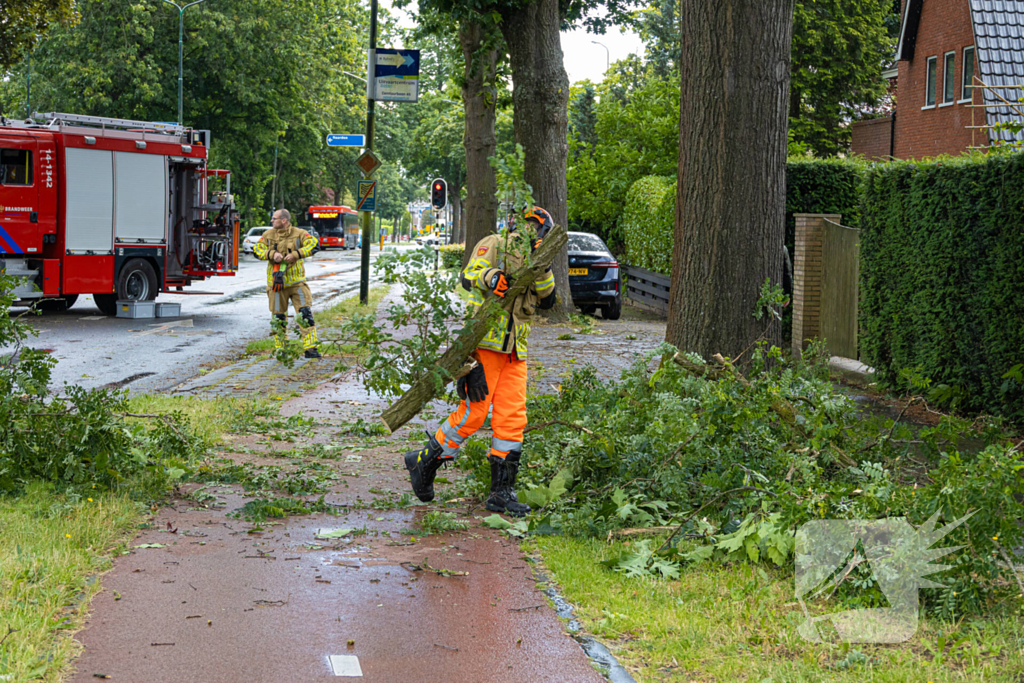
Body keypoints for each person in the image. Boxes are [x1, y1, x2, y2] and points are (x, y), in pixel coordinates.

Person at [405, 206, 557, 517]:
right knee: (474, 413)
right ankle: (423, 461)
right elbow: (469, 275)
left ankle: (501, 493)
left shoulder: (538, 260)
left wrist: (542, 265)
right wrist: (491, 277)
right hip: (485, 344)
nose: (531, 233)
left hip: (515, 350)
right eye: (528, 226)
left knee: (512, 419)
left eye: (536, 229)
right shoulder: (495, 243)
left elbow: (548, 297)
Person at [253, 209, 321, 359]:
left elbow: (314, 244)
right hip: (276, 286)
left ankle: (311, 348)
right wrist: (271, 254)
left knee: (305, 314)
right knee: (278, 318)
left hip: (297, 284)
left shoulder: (300, 233)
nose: (272, 221)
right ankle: (282, 349)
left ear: (283, 220)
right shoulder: (268, 235)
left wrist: (297, 254)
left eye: (274, 218)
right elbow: (257, 249)